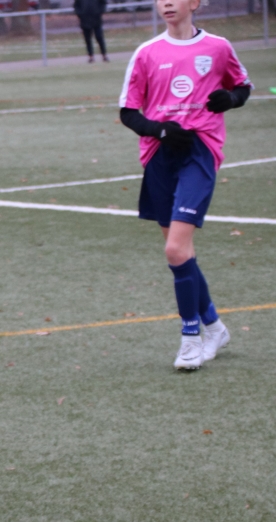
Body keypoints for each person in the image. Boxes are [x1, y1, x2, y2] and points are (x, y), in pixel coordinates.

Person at [119, 0, 251, 369]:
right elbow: (128, 112)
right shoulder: (147, 52)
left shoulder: (218, 47)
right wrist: (159, 129)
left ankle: (190, 337)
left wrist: (231, 99)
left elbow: (242, 86)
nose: (166, 3)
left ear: (194, 3)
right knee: (181, 253)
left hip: (199, 151)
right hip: (160, 156)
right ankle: (215, 327)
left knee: (176, 249)